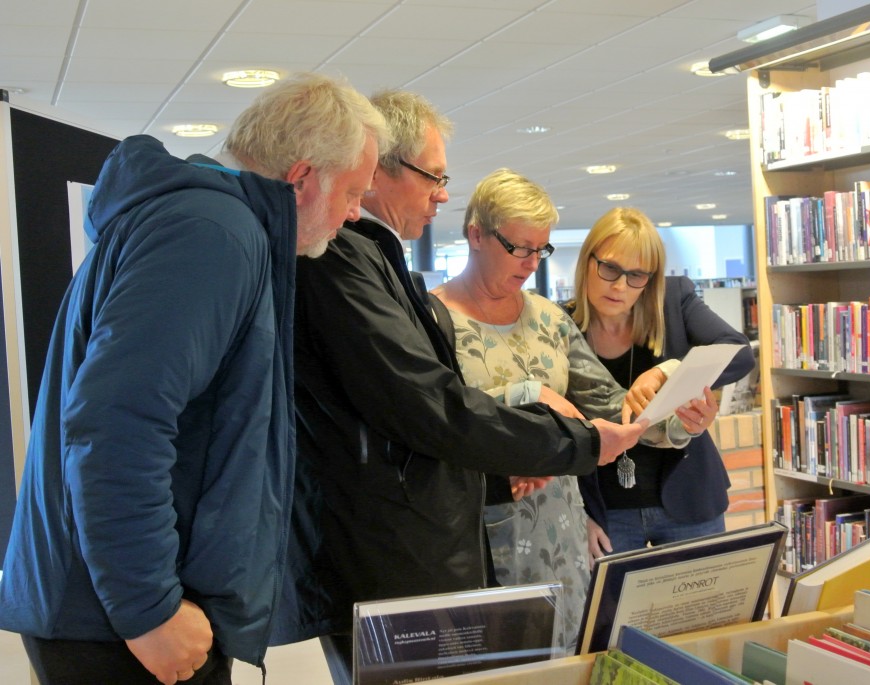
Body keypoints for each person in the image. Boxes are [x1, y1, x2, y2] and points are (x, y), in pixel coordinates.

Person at [0, 72, 390, 685]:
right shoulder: (211, 232)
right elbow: (117, 424)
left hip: (110, 609)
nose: (355, 212)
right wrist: (147, 611)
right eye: (351, 191)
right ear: (303, 176)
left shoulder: (203, 222)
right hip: (121, 624)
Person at [270, 90, 647, 681]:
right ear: (378, 170)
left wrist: (501, 475)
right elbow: (424, 405)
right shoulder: (337, 258)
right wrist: (574, 444)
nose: (441, 194)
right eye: (433, 177)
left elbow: (412, 423)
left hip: (436, 545)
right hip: (391, 560)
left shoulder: (378, 258)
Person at [430, 169, 712, 650]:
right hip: (479, 527)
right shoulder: (432, 319)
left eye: (541, 249)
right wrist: (529, 396)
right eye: (518, 247)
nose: (530, 262)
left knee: (568, 657)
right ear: (475, 234)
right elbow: (436, 419)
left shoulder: (548, 318)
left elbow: (611, 405)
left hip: (560, 528)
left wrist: (677, 420)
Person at [567, 207, 756, 560]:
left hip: (687, 499)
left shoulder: (674, 300)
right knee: (615, 615)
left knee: (701, 612)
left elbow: (739, 352)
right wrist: (577, 514)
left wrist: (667, 372)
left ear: (651, 279)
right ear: (587, 261)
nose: (620, 286)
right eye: (609, 268)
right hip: (606, 511)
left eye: (636, 275)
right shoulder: (559, 324)